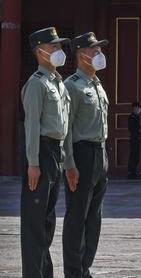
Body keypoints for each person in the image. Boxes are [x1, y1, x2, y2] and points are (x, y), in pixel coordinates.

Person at [21, 27, 71, 278]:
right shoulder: (36, 84)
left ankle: (44, 271)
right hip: (40, 152)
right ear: (40, 50)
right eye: (54, 47)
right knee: (34, 222)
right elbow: (31, 126)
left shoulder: (58, 83)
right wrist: (32, 162)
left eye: (59, 46)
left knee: (48, 220)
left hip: (56, 152)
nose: (59, 51)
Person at [61, 32, 110, 278]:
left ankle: (85, 267)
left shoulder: (96, 84)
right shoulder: (72, 85)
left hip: (100, 153)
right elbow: (66, 129)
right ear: (81, 55)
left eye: (100, 50)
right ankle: (73, 271)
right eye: (95, 50)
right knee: (77, 216)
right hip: (81, 154)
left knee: (94, 217)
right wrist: (69, 164)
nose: (100, 54)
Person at [128, 102, 141, 179]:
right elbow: (132, 128)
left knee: (136, 156)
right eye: (137, 108)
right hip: (134, 138)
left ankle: (134, 171)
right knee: (133, 155)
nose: (138, 110)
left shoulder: (137, 116)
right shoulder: (132, 117)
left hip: (137, 138)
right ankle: (131, 172)